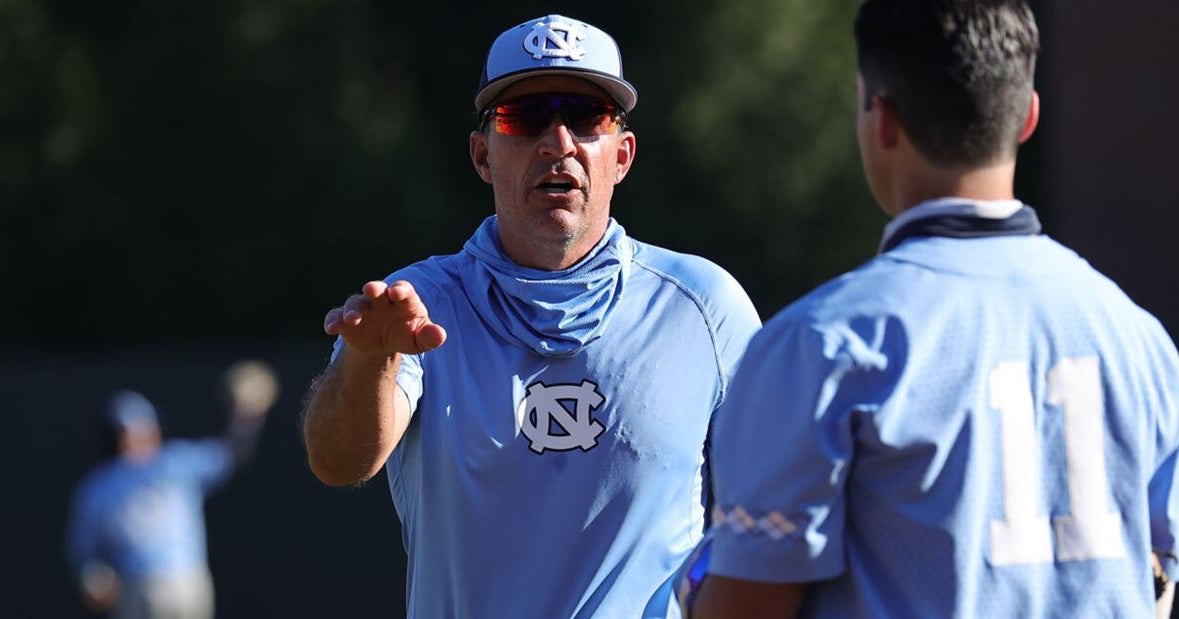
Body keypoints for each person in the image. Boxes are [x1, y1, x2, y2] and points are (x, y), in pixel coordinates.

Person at [679, 1, 1179, 617]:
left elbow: (746, 607)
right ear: (1026, 117)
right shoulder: (1140, 341)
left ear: (882, 121)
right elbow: (1154, 580)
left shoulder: (818, 344)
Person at [300, 13, 761, 618]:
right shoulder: (417, 305)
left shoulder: (703, 304)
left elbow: (782, 499)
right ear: (482, 155)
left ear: (621, 155)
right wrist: (367, 362)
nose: (558, 142)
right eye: (525, 117)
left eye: (587, 117)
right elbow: (336, 463)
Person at [66, 362, 276, 619]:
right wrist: (93, 576)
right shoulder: (101, 484)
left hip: (187, 582)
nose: (143, 435)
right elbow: (84, 549)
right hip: (137, 587)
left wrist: (245, 420)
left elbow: (229, 455)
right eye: (134, 429)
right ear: (118, 435)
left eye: (146, 427)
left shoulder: (175, 461)